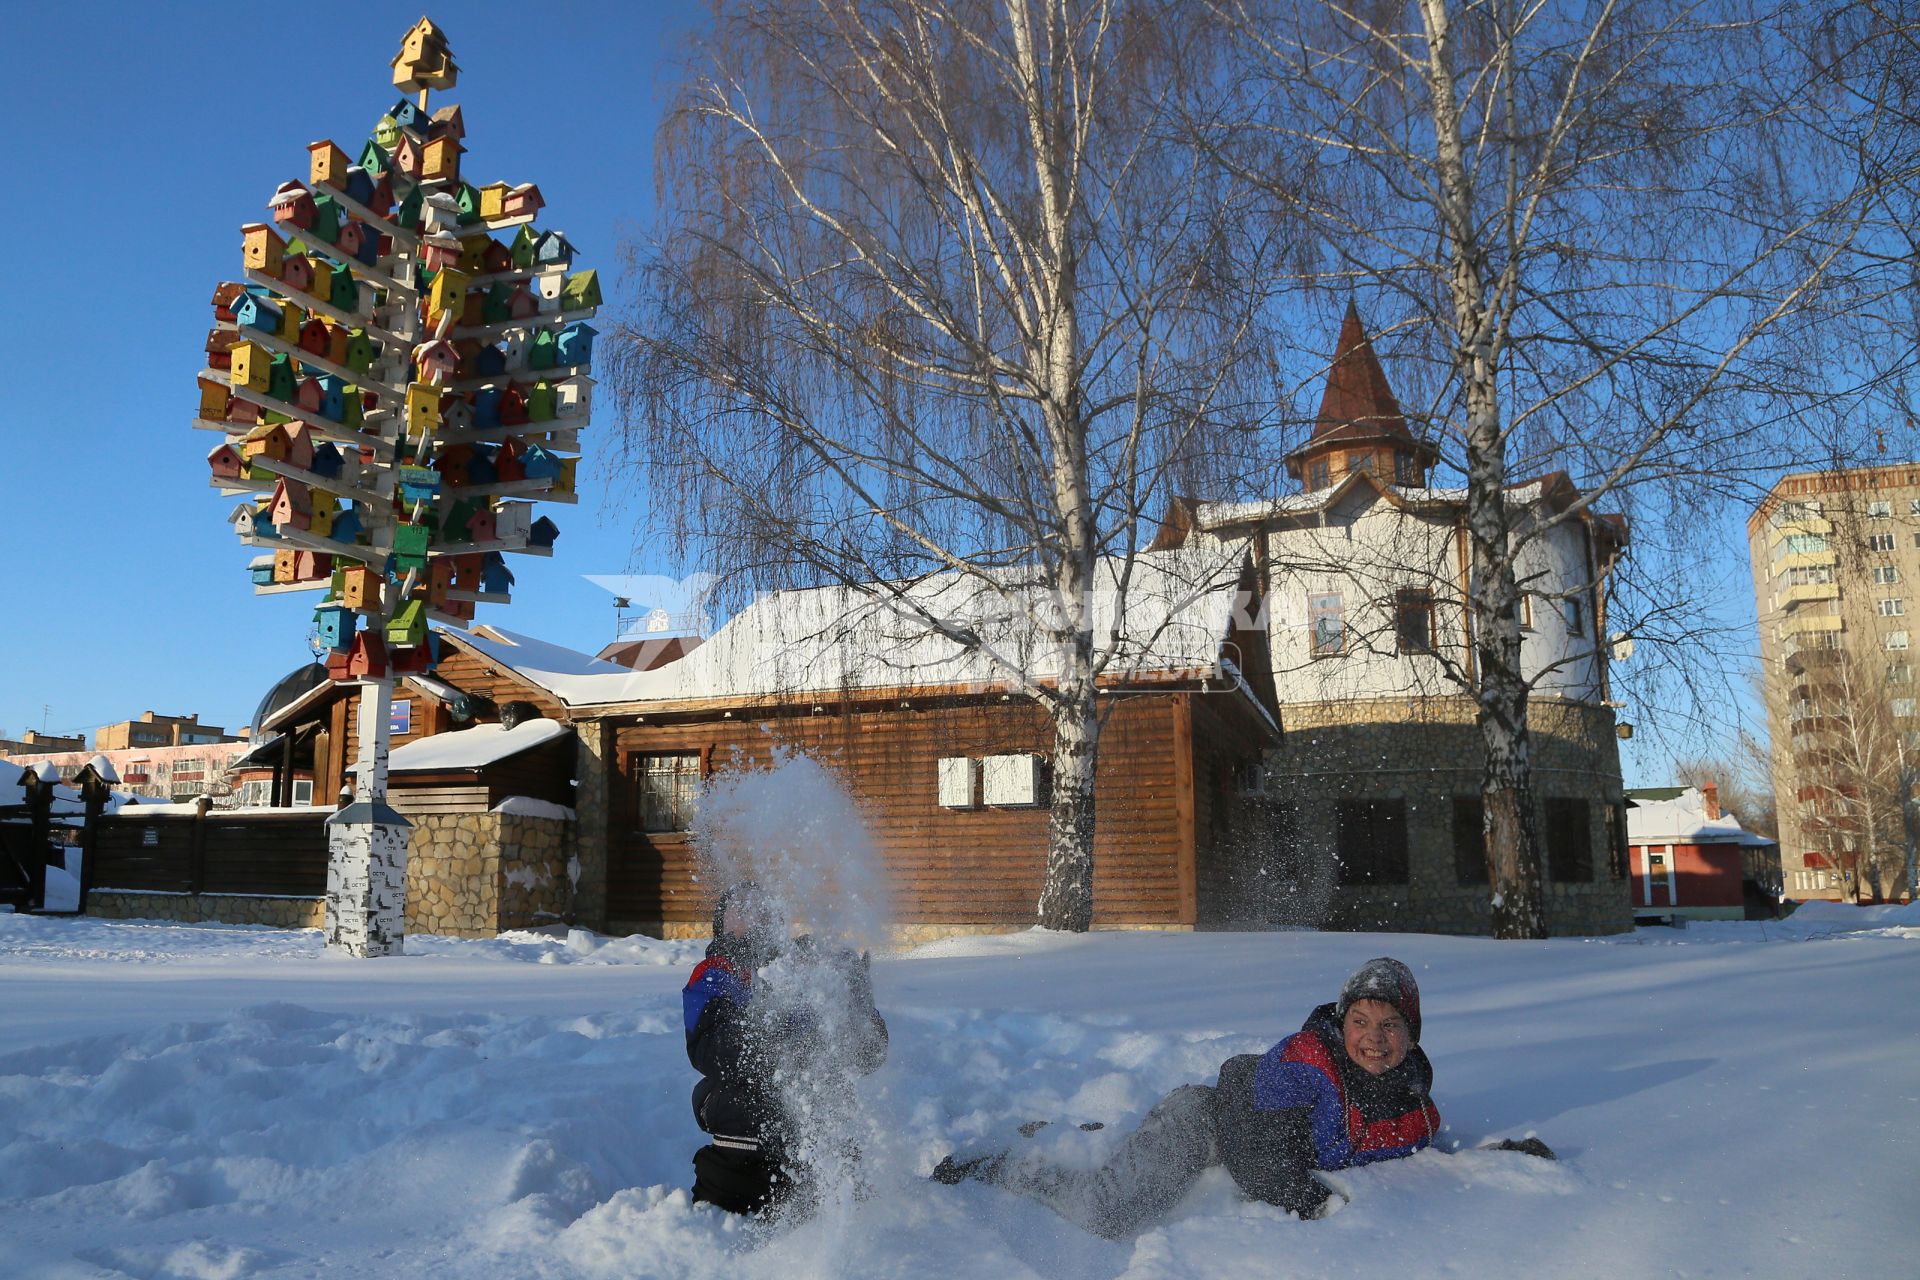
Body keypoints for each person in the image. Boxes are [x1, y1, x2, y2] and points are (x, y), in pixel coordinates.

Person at [934, 956, 1541, 1238]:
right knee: (1105, 1212)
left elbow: (1431, 1158)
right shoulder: (1310, 1060)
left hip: (1221, 1145)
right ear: (1341, 1021)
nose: (1373, 1040)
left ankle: (1073, 1135)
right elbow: (1249, 1136)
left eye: (1390, 1027)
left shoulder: (1415, 1110)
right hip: (1203, 1126)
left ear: (1412, 1036)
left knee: (1116, 1153)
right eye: (1360, 1021)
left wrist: (1504, 1155)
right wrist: (1305, 1200)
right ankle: (1000, 1165)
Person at [683, 881, 889, 1217]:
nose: (755, 908)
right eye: (741, 905)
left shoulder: (808, 963)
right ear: (724, 925)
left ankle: (845, 1204)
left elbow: (869, 1053)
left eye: (762, 902)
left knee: (826, 1088)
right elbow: (711, 1049)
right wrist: (782, 1032)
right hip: (748, 1124)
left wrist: (854, 1001)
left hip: (817, 1115)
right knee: (739, 1095)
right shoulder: (716, 974)